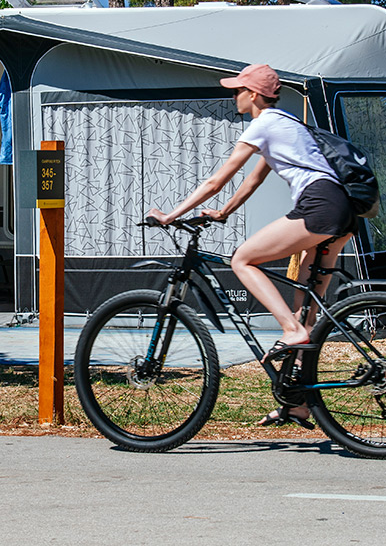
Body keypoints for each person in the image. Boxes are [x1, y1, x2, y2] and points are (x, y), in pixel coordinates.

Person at [146, 63, 355, 429]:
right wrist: (223, 213)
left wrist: (170, 215)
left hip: (319, 205)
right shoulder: (285, 124)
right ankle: (300, 401)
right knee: (305, 307)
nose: (234, 95)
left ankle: (290, 332)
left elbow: (217, 179)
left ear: (255, 95)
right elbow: (252, 180)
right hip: (343, 210)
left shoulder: (264, 124)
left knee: (243, 259)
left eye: (238, 89)